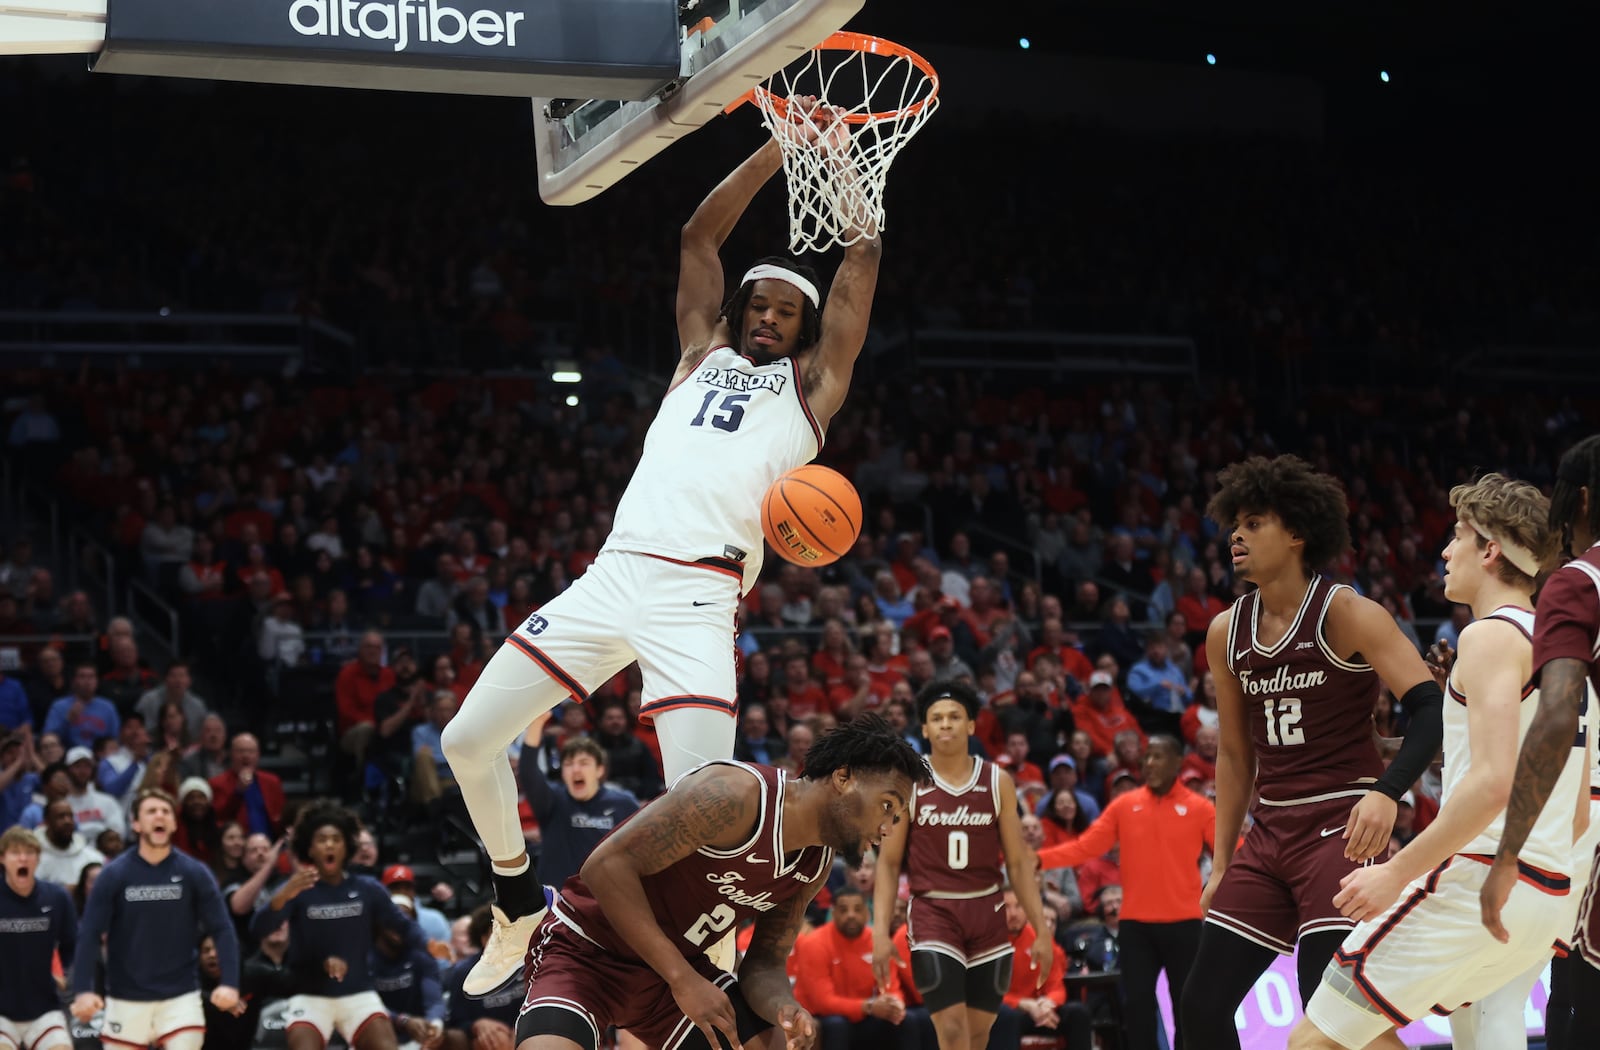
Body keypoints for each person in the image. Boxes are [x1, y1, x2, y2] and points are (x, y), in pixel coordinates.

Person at [438, 101, 884, 996]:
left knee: (707, 816)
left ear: (802, 335)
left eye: (785, 313)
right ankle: (516, 897)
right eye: (756, 306)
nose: (767, 317)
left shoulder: (810, 398)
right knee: (466, 741)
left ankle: (714, 960)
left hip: (700, 600)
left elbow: (857, 268)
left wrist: (840, 175)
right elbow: (695, 236)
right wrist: (777, 148)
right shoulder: (694, 355)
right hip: (612, 576)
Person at [1288, 473, 1580, 1048]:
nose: (1445, 551)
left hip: (1484, 878)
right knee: (1478, 1035)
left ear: (1490, 549)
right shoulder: (1560, 643)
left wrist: (1398, 873)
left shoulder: (1489, 637)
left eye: (1457, 537)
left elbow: (1494, 784)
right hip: (1552, 893)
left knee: (1315, 1039)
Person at [1179, 454, 1443, 1049]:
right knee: (1199, 1006)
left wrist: (1386, 793)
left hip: (1341, 826)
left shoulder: (1347, 612)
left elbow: (1430, 710)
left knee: (1328, 1012)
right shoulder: (1226, 630)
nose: (1235, 535)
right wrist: (1221, 862)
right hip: (1269, 831)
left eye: (1253, 522)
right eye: (1234, 524)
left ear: (1297, 533)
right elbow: (1235, 755)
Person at [517, 714, 926, 1050]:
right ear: (842, 777)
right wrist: (682, 979)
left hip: (670, 973)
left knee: (769, 1044)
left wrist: (785, 1005)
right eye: (887, 805)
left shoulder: (815, 863)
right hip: (587, 951)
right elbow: (604, 868)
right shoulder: (736, 795)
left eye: (896, 816)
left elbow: (764, 963)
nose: (888, 827)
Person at [1483, 435, 1600, 1046]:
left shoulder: (1579, 582)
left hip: (1586, 819)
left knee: (1573, 991)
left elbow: (1556, 719)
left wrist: (1508, 855)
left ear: (1580, 500)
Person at [872, 681, 1054, 1050]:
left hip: (987, 910)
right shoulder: (909, 782)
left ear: (971, 725)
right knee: (952, 1034)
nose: (945, 724)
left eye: (954, 717)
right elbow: (888, 865)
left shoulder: (997, 781)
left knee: (977, 1037)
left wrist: (1041, 929)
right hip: (933, 911)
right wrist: (878, 932)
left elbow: (1018, 864)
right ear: (923, 728)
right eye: (936, 718)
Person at [1035, 734, 1213, 1050]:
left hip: (1185, 925)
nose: (1149, 763)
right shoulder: (1124, 806)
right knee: (1137, 1007)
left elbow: (1232, 855)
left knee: (1187, 1007)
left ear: (1177, 763)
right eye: (1147, 757)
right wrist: (1038, 859)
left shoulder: (1200, 808)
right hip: (1136, 927)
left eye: (1158, 757)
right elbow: (1085, 847)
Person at [70, 788, 242, 1050]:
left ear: (173, 823)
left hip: (181, 997)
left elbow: (222, 928)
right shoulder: (113, 874)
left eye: (165, 812)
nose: (159, 816)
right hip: (125, 998)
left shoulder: (194, 872)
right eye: (151, 811)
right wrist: (83, 990)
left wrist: (230, 982)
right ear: (136, 824)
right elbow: (89, 933)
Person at [251, 799, 424, 1050]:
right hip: (310, 995)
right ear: (310, 849)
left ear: (347, 847)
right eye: (322, 839)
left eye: (336, 839)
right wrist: (281, 896)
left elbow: (403, 926)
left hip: (358, 993)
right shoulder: (297, 889)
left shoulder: (367, 888)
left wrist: (430, 943)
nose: (329, 844)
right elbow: (258, 928)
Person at [518, 715, 640, 891]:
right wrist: (537, 722)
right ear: (563, 773)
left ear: (600, 770)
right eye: (568, 764)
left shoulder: (624, 804)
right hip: (559, 902)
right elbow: (528, 771)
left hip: (606, 900)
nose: (576, 769)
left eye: (584, 763)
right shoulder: (553, 800)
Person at [791, 885, 918, 1050]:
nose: (851, 915)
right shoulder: (814, 943)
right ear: (833, 913)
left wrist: (895, 1004)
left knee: (907, 1020)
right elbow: (823, 1002)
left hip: (864, 1014)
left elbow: (891, 986)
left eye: (857, 909)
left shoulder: (877, 942)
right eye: (843, 910)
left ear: (867, 913)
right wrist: (869, 1006)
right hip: (823, 1016)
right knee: (837, 1024)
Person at [0, 824, 78, 1050]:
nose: (23, 859)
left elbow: (72, 944)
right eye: (16, 853)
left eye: (30, 853)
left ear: (38, 858)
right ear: (3, 858)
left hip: (44, 1008)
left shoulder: (57, 897)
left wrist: (63, 972)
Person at [989, 893, 1091, 1050]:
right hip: (1007, 1010)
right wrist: (1023, 1004)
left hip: (1039, 1011)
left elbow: (1056, 984)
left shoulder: (1040, 938)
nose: (1013, 913)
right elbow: (985, 992)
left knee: (1078, 1013)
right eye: (1006, 907)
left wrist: (1048, 1003)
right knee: (1006, 1015)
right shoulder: (986, 941)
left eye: (1019, 906)